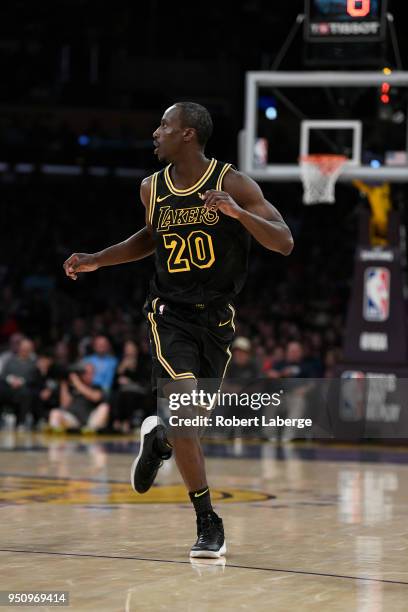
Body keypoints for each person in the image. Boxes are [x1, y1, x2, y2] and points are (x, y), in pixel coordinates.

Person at [63, 101, 293, 558]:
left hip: (218, 318)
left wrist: (239, 215)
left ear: (188, 134)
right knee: (186, 410)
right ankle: (207, 519)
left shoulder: (231, 182)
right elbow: (148, 239)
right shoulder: (151, 188)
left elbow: (283, 240)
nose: (155, 131)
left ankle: (159, 439)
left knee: (188, 424)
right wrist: (97, 260)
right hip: (169, 313)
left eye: (164, 125)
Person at [48, 362, 109, 432]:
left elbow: (95, 397)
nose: (88, 375)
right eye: (85, 373)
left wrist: (77, 382)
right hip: (73, 420)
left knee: (104, 407)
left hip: (90, 422)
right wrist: (64, 384)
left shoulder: (96, 387)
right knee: (55, 412)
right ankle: (55, 436)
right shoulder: (72, 387)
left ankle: (89, 432)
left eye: (91, 373)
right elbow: (64, 405)